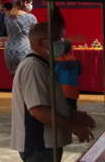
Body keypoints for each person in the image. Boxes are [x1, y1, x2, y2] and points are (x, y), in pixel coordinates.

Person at [12, 23, 95, 162]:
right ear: (40, 43)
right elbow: (38, 109)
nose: (60, 43)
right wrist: (73, 125)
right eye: (56, 39)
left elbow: (47, 102)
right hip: (40, 144)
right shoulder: (33, 67)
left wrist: (73, 114)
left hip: (47, 143)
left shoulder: (43, 64)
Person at [5, 0, 37, 75]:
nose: (31, 6)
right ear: (26, 3)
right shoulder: (31, 18)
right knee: (26, 79)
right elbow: (35, 35)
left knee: (15, 78)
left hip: (10, 50)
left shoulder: (7, 16)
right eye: (30, 4)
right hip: (25, 49)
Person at [55, 39, 82, 111]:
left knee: (61, 110)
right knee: (73, 108)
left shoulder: (55, 61)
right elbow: (80, 72)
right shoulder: (76, 61)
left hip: (60, 89)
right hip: (73, 88)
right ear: (70, 48)